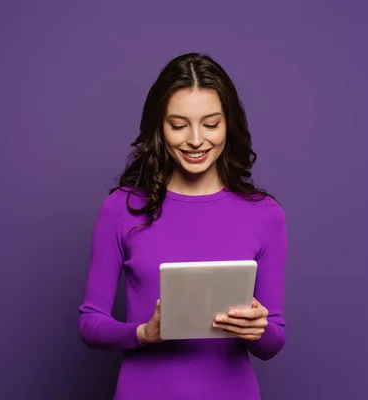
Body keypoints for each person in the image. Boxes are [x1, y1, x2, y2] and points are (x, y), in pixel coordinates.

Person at [77, 52, 288, 400]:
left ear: (228, 125)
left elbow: (273, 341)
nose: (195, 140)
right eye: (178, 125)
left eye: (210, 124)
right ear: (159, 127)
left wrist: (257, 328)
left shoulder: (265, 215)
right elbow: (89, 323)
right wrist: (144, 333)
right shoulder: (121, 209)